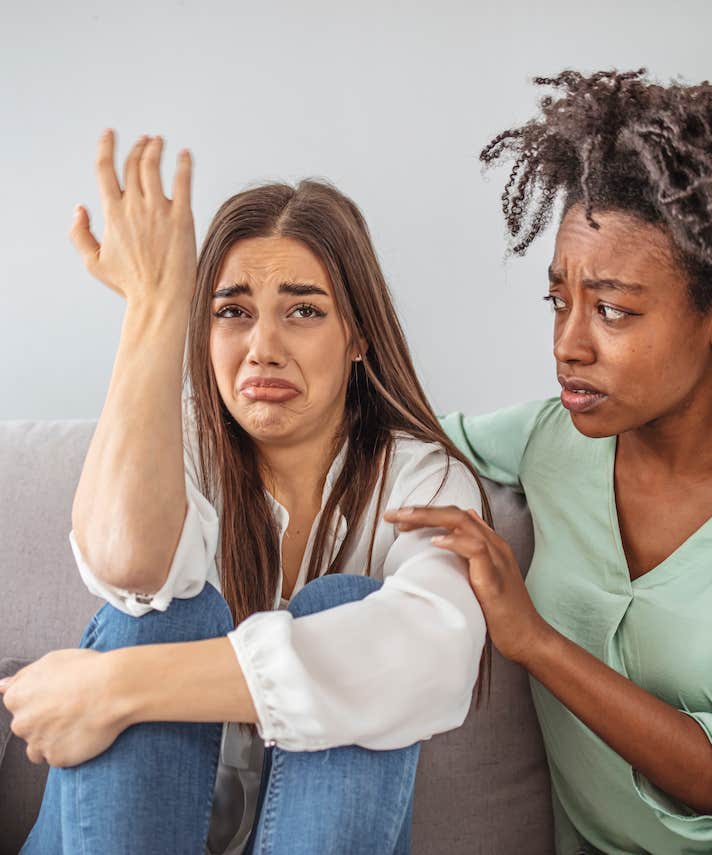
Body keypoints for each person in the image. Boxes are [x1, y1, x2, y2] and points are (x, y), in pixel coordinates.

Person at [385, 69, 712, 854]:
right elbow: (383, 432)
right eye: (558, 301)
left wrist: (535, 641)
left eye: (612, 310)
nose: (569, 343)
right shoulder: (546, 440)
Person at [0, 130, 490, 855]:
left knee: (349, 607)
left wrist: (117, 686)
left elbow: (432, 655)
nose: (263, 345)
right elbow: (127, 568)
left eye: (303, 310)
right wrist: (153, 307)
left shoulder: (421, 479)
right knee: (165, 614)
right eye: (232, 311)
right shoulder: (180, 448)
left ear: (357, 335)